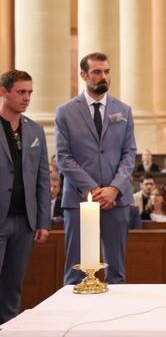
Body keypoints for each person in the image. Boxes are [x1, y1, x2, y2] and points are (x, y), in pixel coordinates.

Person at [56, 52, 136, 285]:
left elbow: (129, 154)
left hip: (116, 200)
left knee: (116, 271)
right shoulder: (66, 111)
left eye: (107, 72)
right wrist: (93, 190)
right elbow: (64, 157)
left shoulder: (124, 110)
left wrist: (113, 189)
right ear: (83, 75)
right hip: (79, 200)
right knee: (76, 269)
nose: (103, 77)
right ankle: (73, 318)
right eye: (97, 72)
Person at [0, 70, 50, 324]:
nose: (27, 97)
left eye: (30, 92)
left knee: (13, 286)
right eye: (21, 92)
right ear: (4, 92)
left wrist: (43, 221)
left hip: (25, 222)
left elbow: (43, 179)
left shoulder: (35, 131)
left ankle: (8, 328)